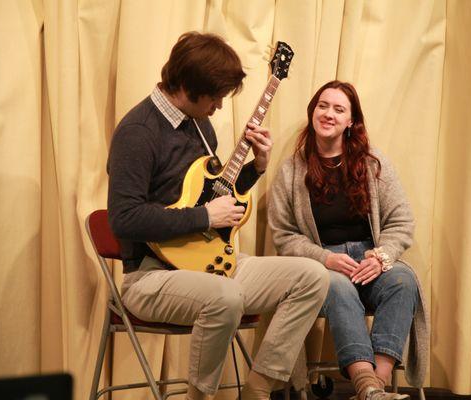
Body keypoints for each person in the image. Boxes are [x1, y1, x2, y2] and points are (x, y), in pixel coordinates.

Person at [107, 32, 329, 400]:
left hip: (210, 264)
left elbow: (212, 192)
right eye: (216, 98)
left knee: (311, 276)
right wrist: (204, 218)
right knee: (224, 297)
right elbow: (124, 218)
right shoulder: (138, 132)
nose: (220, 107)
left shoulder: (198, 124)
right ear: (189, 88)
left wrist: (255, 167)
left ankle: (259, 388)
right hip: (150, 276)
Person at [268, 81, 429, 400]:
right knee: (337, 286)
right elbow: (284, 236)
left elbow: (402, 221)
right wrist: (324, 259)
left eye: (339, 109)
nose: (328, 114)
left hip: (369, 261)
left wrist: (381, 257)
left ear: (351, 121)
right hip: (321, 266)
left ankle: (375, 389)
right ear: (312, 111)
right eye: (323, 106)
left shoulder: (373, 164)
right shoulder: (290, 172)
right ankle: (366, 385)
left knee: (403, 280)